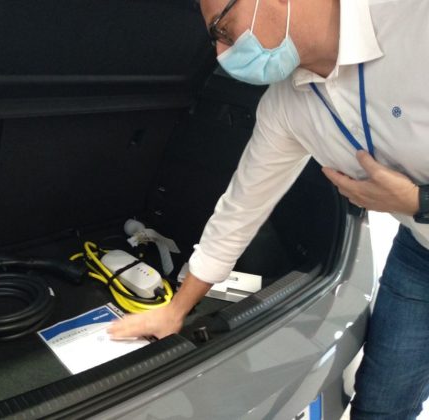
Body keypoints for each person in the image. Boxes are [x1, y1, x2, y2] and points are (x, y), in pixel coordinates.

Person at [109, 0, 429, 418]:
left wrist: (417, 202)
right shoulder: (287, 107)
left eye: (222, 30)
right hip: (420, 256)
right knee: (381, 407)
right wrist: (176, 310)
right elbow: (239, 210)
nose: (221, 54)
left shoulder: (413, 20)